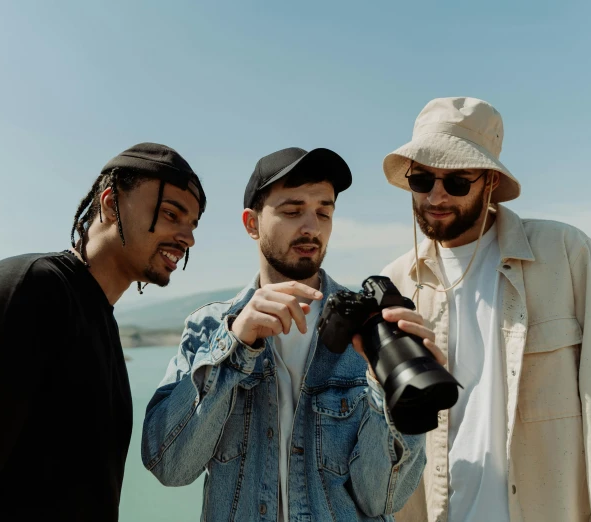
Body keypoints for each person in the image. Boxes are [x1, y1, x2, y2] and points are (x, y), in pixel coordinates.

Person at [380, 97, 591, 522]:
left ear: (489, 181)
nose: (436, 195)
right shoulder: (396, 281)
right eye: (422, 180)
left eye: (457, 181)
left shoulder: (564, 254)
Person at [0, 143, 207, 522]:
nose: (187, 237)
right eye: (170, 213)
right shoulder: (24, 292)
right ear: (111, 204)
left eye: (192, 225)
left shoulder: (100, 321)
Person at [142, 147, 439, 521]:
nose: (312, 228)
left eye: (324, 212)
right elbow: (169, 466)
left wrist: (393, 391)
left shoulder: (371, 332)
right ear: (252, 224)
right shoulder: (208, 328)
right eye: (292, 211)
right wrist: (234, 344)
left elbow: (382, 498)